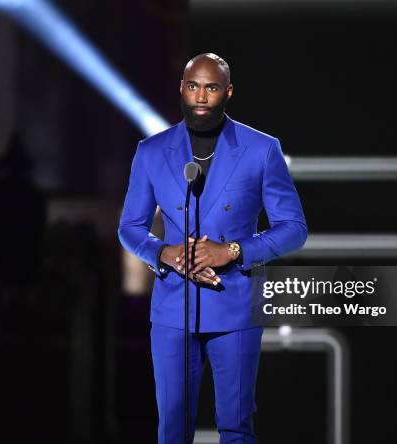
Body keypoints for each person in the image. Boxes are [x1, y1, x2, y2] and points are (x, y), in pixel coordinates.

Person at [118, 53, 307, 444]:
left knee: (236, 426)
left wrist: (234, 250)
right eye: (193, 86)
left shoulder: (262, 149)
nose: (201, 96)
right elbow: (130, 227)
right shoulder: (151, 151)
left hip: (235, 303)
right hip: (173, 308)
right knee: (173, 429)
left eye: (211, 87)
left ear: (228, 92)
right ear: (182, 89)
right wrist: (165, 253)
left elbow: (294, 229)